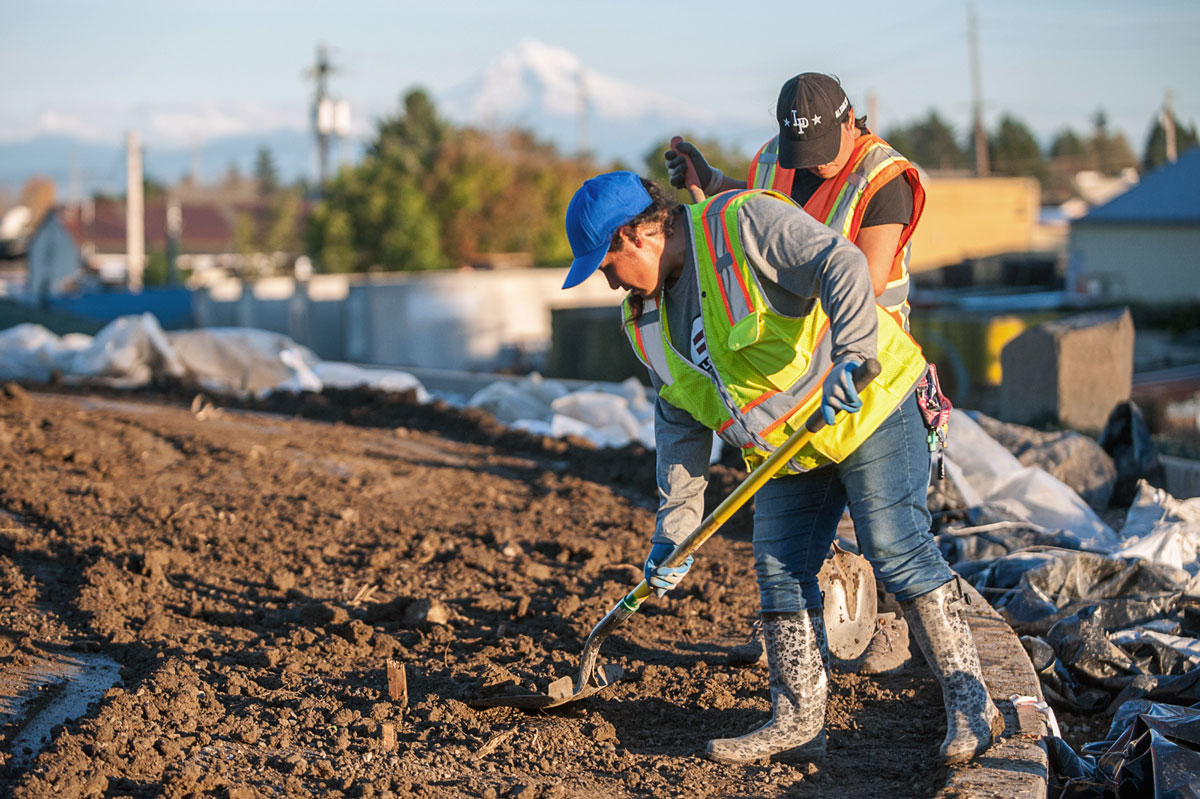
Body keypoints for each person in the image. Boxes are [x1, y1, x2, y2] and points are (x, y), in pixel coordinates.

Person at [560, 170, 1001, 766]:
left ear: (635, 236)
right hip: (789, 450)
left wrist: (853, 354)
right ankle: (798, 718)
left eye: (605, 265)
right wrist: (676, 528)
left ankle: (974, 706)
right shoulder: (643, 320)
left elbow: (841, 263)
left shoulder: (740, 225)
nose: (608, 281)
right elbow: (681, 420)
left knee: (893, 544)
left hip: (871, 404)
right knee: (778, 566)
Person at [666, 72, 928, 672]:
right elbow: (753, 210)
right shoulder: (779, 160)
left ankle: (890, 640)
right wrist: (709, 183)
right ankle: (800, 660)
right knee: (785, 546)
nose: (810, 166)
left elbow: (865, 272)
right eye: (798, 154)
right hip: (794, 375)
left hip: (867, 369)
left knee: (888, 532)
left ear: (850, 121)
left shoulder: (883, 179)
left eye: (822, 153)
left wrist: (784, 273)